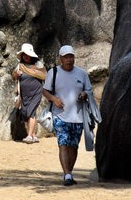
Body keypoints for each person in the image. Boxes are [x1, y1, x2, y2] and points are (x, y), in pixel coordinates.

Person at [41, 44, 96, 186]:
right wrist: (54, 99)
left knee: (74, 146)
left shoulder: (82, 73)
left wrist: (85, 94)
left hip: (78, 117)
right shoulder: (53, 72)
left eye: (71, 57)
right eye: (66, 57)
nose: (69, 60)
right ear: (60, 59)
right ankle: (66, 174)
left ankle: (69, 173)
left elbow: (89, 90)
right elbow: (45, 91)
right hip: (60, 116)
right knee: (63, 144)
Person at [11, 43, 46, 143]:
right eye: (24, 55)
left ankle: (29, 136)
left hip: (36, 93)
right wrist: (16, 74)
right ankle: (33, 135)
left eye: (28, 55)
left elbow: (44, 75)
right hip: (24, 94)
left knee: (31, 111)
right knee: (26, 113)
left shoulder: (38, 65)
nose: (26, 57)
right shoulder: (20, 66)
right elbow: (13, 76)